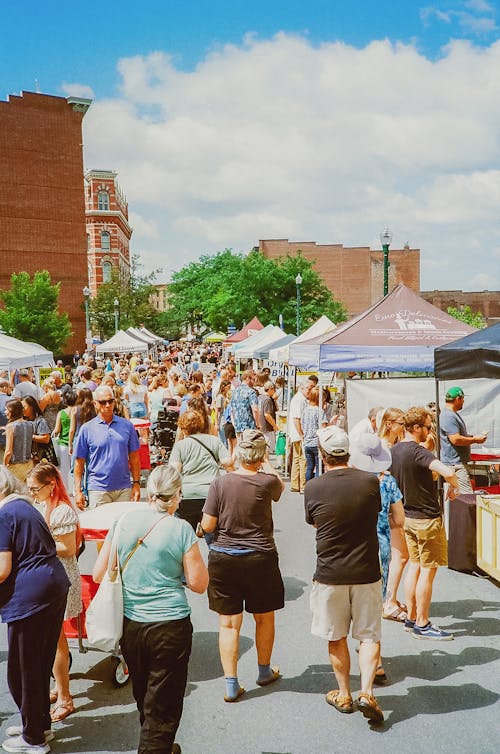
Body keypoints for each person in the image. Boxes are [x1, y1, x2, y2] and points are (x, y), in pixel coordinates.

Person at [93, 465, 208, 754]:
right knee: (164, 704)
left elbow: (98, 573)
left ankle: (161, 745)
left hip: (131, 625)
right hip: (169, 625)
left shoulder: (123, 521)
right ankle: (155, 747)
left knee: (145, 695)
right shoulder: (180, 529)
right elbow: (198, 583)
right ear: (177, 495)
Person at [304, 425, 384, 724]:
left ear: (323, 455)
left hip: (330, 573)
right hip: (366, 570)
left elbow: (314, 523)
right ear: (347, 451)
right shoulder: (370, 482)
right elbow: (374, 513)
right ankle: (366, 691)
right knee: (369, 636)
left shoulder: (314, 487)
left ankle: (345, 694)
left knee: (335, 637)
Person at [200, 429, 285, 702]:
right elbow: (279, 486)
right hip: (260, 556)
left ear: (237, 453)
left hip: (224, 557)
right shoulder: (267, 482)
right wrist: (267, 461)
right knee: (264, 617)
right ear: (260, 455)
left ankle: (231, 684)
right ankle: (263, 670)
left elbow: (208, 525)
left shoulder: (220, 484)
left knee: (228, 624)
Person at [0, 465, 70, 754]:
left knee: (22, 670)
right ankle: (38, 725)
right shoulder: (26, 508)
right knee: (38, 665)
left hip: (30, 596)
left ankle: (34, 738)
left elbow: (3, 569)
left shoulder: (4, 515)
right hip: (52, 587)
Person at [390, 407, 460, 640]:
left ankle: (412, 618)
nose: (430, 432)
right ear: (416, 427)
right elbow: (447, 470)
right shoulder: (419, 453)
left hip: (407, 516)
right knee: (427, 572)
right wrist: (454, 484)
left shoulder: (396, 450)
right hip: (427, 519)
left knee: (415, 567)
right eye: (428, 427)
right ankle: (422, 622)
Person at [27, 462, 82, 723]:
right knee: (50, 640)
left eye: (36, 489)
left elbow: (69, 549)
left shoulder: (62, 511)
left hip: (61, 579)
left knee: (56, 641)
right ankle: (60, 689)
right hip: (48, 578)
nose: (32, 494)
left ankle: (65, 698)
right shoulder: (44, 506)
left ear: (51, 485)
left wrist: (37, 545)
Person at [73, 385, 141, 509]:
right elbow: (79, 462)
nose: (108, 405)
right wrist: (78, 491)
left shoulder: (127, 426)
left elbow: (134, 457)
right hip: (98, 489)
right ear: (95, 404)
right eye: (103, 402)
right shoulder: (87, 429)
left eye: (110, 401)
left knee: (122, 527)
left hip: (123, 489)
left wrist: (136, 483)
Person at [170, 410, 232, 533]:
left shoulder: (180, 446)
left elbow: (174, 471)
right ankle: (205, 531)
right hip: (211, 495)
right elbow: (227, 462)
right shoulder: (214, 441)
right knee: (213, 536)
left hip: (187, 495)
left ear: (183, 428)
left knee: (183, 535)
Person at [439, 386, 488, 494]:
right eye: (462, 399)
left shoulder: (450, 415)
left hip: (455, 463)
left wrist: (472, 437)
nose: (463, 402)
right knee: (467, 497)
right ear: (458, 399)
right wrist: (475, 439)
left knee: (458, 498)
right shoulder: (449, 416)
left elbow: (457, 436)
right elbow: (455, 439)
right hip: (455, 464)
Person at [287, 378, 314, 493]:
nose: (310, 390)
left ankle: (295, 484)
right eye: (308, 388)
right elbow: (297, 418)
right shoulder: (300, 400)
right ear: (302, 388)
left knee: (297, 458)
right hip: (299, 433)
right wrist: (301, 433)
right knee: (303, 459)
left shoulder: (299, 399)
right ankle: (302, 485)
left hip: (296, 433)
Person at [4, 400, 34, 483]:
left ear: (13, 411)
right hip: (29, 465)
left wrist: (4, 466)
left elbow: (8, 452)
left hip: (15, 467)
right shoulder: (30, 424)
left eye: (7, 409)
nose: (5, 412)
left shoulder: (10, 427)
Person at [301, 386, 327, 481]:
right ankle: (317, 487)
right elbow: (323, 428)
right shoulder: (320, 411)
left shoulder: (305, 410)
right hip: (317, 443)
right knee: (319, 468)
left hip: (307, 442)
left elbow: (302, 425)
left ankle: (308, 486)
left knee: (309, 467)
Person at [229, 370, 259, 439]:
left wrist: (235, 424)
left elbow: (232, 411)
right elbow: (255, 410)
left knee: (241, 448)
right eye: (253, 379)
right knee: (250, 449)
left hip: (238, 427)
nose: (254, 382)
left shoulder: (235, 391)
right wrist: (258, 424)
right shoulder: (251, 392)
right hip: (249, 428)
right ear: (248, 378)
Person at [258, 381, 279, 452]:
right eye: (274, 389)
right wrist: (274, 425)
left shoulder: (260, 397)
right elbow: (267, 415)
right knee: (268, 449)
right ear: (270, 389)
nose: (274, 391)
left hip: (261, 426)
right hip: (267, 427)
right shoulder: (267, 399)